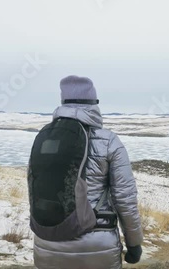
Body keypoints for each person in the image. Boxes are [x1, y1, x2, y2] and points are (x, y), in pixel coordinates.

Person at [31, 75, 144, 269]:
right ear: (93, 104)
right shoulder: (109, 141)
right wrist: (134, 244)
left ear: (63, 102)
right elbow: (125, 199)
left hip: (47, 244)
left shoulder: (45, 139)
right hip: (96, 244)